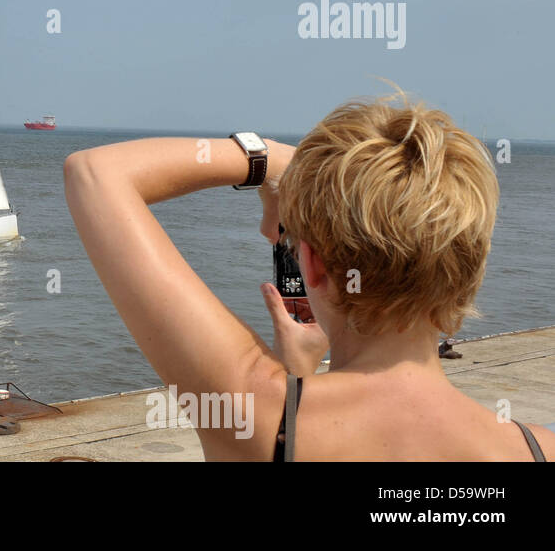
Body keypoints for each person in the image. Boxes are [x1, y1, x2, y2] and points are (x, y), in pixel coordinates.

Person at [64, 92, 551, 461]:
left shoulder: (258, 416)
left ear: (312, 264)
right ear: (469, 270)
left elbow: (95, 174)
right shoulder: (537, 448)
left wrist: (275, 161)